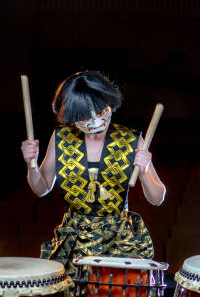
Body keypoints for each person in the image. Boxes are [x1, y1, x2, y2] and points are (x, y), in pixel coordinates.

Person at [20, 70, 166, 281]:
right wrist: (31, 166)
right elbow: (41, 188)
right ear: (73, 116)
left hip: (119, 239)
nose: (96, 121)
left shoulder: (131, 139)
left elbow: (158, 198)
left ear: (109, 103)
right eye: (86, 117)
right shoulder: (61, 137)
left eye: (101, 111)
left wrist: (144, 170)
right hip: (73, 239)